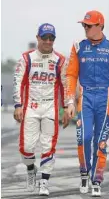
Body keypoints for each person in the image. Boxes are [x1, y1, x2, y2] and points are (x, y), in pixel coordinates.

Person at [66, 10, 109, 197]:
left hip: (106, 97)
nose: (85, 29)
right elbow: (71, 74)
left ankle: (97, 179)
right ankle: (84, 172)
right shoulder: (78, 46)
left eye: (89, 25)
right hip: (85, 96)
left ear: (100, 26)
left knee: (100, 142)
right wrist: (69, 100)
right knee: (84, 138)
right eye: (84, 25)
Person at [13, 23, 69, 196]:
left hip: (50, 107)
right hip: (31, 106)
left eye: (51, 38)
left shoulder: (60, 60)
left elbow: (65, 86)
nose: (47, 41)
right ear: (38, 37)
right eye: (44, 37)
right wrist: (18, 105)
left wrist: (66, 107)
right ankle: (31, 169)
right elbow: (18, 82)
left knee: (48, 145)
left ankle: (44, 183)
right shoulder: (26, 58)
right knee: (27, 147)